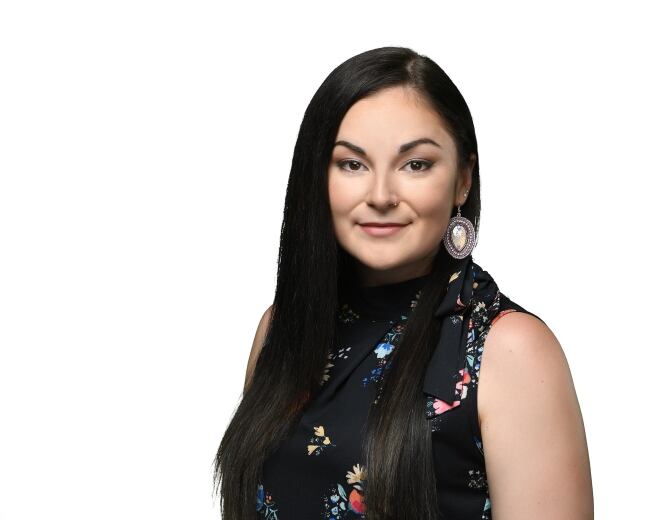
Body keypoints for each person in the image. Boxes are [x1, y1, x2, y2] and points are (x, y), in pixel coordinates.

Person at [214, 46, 593, 520]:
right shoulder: (281, 327)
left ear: (463, 180)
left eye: (415, 164)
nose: (380, 196)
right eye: (352, 164)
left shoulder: (510, 349)